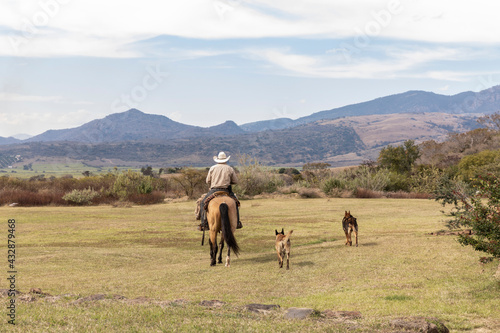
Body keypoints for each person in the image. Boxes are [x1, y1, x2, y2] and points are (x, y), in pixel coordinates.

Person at [197, 151, 242, 231]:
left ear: (218, 160)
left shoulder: (212, 168)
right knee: (235, 203)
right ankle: (237, 222)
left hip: (214, 190)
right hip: (226, 190)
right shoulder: (230, 168)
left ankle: (204, 224)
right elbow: (235, 181)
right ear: (226, 160)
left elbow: (207, 181)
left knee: (203, 202)